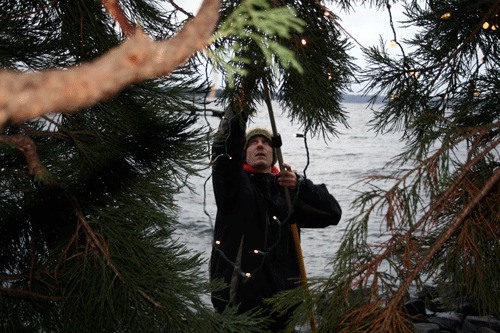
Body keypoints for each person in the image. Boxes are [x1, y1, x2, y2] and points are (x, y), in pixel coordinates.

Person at [210, 106, 342, 331]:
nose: (260, 145)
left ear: (274, 154)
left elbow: (332, 213)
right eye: (253, 142)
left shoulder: (287, 194)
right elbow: (224, 154)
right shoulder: (233, 185)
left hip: (283, 307)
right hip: (238, 306)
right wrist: (238, 114)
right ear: (244, 152)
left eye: (267, 143)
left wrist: (300, 186)